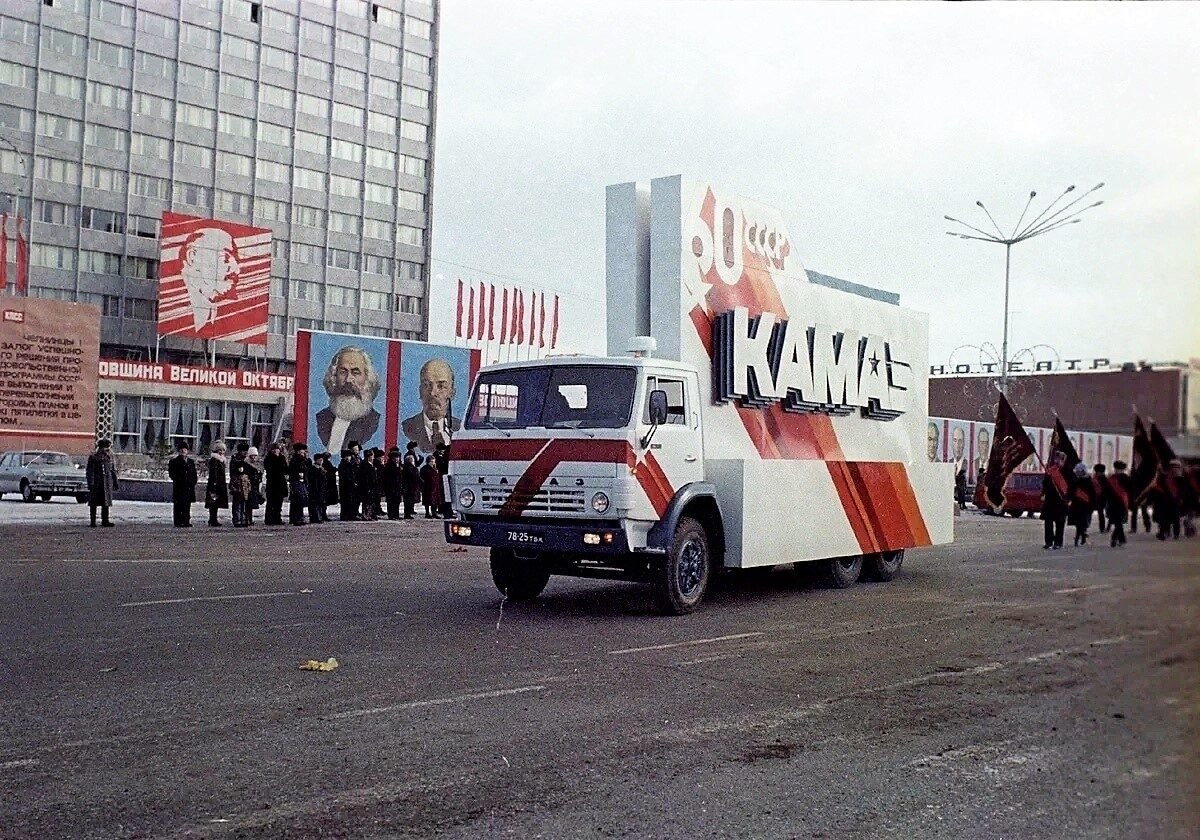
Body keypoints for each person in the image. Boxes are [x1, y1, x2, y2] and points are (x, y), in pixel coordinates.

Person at [316, 347, 381, 454]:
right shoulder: (321, 418)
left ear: (368, 378)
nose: (348, 380)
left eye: (355, 373)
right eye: (343, 372)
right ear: (334, 377)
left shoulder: (374, 421)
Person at [178, 226, 241, 331]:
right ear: (192, 257)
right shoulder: (175, 310)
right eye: (225, 258)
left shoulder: (213, 313)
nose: (236, 270)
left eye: (236, 261)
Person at [401, 358, 462, 452]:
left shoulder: (460, 429)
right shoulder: (406, 428)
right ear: (420, 391)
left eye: (441, 386)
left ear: (452, 393)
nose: (433, 393)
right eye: (427, 385)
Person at [85, 438, 119, 528]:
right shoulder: (94, 457)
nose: (107, 450)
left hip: (106, 482)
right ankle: (93, 521)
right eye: (106, 448)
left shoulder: (109, 457)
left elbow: (112, 470)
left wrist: (115, 482)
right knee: (94, 503)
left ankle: (105, 520)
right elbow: (90, 471)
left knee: (106, 502)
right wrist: (91, 482)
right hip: (97, 483)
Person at [1040, 452, 1068, 550]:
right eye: (1056, 459)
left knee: (1060, 524)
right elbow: (1045, 483)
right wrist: (1043, 493)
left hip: (1061, 501)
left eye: (1059, 459)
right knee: (1048, 523)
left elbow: (1071, 486)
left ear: (1063, 460)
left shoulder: (1067, 472)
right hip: (1050, 501)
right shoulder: (1050, 471)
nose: (1057, 461)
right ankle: (1048, 541)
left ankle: (1058, 542)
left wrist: (1068, 498)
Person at [167, 442, 198, 527]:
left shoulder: (190, 462)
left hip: (188, 488)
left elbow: (194, 474)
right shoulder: (174, 462)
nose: (183, 451)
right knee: (178, 505)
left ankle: (186, 521)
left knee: (187, 506)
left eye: (185, 449)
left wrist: (192, 482)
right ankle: (178, 522)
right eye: (181, 449)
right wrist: (179, 480)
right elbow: (172, 474)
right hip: (179, 488)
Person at [1105, 460, 1131, 548]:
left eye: (1119, 469)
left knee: (1118, 522)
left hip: (1121, 502)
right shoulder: (1111, 478)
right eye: (1116, 469)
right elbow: (1107, 490)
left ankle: (1116, 539)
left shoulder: (1126, 478)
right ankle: (1118, 539)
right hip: (1113, 503)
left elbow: (1130, 490)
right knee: (1117, 522)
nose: (1117, 470)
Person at [262, 441, 289, 526]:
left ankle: (277, 518)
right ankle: (269, 519)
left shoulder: (282, 458)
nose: (276, 451)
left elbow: (286, 469)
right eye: (274, 449)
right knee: (271, 502)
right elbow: (269, 469)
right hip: (272, 483)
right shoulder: (269, 459)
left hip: (281, 483)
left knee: (279, 503)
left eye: (277, 449)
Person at [1068, 462, 1094, 546]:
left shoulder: (1087, 481)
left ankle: (1079, 537)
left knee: (1080, 522)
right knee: (1079, 523)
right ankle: (1081, 537)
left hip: (1084, 505)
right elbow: (1071, 491)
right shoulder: (1076, 480)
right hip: (1077, 504)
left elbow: (1092, 494)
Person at [229, 443, 253, 527]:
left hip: (245, 483)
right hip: (237, 483)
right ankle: (237, 519)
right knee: (238, 502)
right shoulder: (236, 460)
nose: (245, 452)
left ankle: (243, 519)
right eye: (243, 451)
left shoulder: (244, 461)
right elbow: (234, 472)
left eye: (246, 451)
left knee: (244, 503)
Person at [205, 441, 229, 527]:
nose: (221, 452)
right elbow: (213, 473)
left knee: (216, 502)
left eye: (223, 450)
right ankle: (212, 519)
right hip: (215, 484)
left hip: (219, 484)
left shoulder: (221, 460)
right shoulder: (215, 460)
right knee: (213, 502)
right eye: (219, 450)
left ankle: (213, 519)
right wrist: (214, 484)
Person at [288, 442, 311, 526]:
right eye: (302, 452)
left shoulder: (304, 460)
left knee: (300, 500)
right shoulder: (295, 460)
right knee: (297, 500)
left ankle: (298, 517)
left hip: (302, 482)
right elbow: (292, 471)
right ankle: (296, 518)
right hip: (296, 482)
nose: (303, 453)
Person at [338, 445, 360, 521]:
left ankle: (350, 515)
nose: (348, 458)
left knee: (350, 501)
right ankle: (345, 516)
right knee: (345, 502)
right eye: (347, 456)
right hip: (345, 487)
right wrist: (352, 482)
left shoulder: (349, 465)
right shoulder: (342, 465)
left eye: (349, 456)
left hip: (350, 487)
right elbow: (346, 477)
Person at [357, 448, 379, 521]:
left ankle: (370, 514)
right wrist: (368, 487)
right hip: (367, 487)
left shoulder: (371, 464)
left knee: (371, 502)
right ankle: (366, 515)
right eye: (372, 455)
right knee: (366, 502)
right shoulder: (365, 465)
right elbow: (365, 478)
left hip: (372, 486)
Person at [243, 446, 263, 527]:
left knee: (251, 503)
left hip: (255, 485)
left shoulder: (257, 464)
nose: (254, 457)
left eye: (255, 455)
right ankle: (247, 519)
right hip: (249, 485)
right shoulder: (246, 464)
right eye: (253, 455)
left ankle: (250, 519)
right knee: (248, 503)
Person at [383, 447, 404, 520]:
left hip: (398, 487)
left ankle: (396, 514)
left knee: (397, 502)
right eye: (395, 457)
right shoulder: (388, 466)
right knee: (391, 502)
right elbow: (387, 478)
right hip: (390, 487)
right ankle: (391, 515)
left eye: (398, 457)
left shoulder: (399, 466)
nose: (397, 459)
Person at [402, 444, 422, 519]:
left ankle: (410, 510)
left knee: (410, 499)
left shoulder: (412, 456)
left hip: (411, 486)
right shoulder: (410, 464)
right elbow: (415, 476)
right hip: (410, 486)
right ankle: (408, 512)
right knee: (408, 500)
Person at [307, 452, 328, 524]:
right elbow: (313, 480)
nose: (321, 461)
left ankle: (319, 517)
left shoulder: (322, 469)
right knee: (315, 504)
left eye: (322, 460)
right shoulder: (313, 469)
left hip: (321, 489)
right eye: (320, 460)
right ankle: (315, 517)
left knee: (320, 504)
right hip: (315, 489)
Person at [420, 454, 443, 518]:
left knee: (435, 501)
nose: (433, 463)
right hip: (427, 487)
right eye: (431, 462)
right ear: (428, 461)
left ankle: (434, 513)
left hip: (435, 487)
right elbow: (422, 477)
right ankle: (427, 513)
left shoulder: (435, 469)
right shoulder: (424, 469)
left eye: (434, 461)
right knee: (427, 501)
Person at [434, 442, 453, 517]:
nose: (443, 451)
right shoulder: (437, 457)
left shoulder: (443, 456)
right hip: (441, 477)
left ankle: (446, 510)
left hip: (443, 477)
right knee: (444, 495)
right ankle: (445, 511)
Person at [1091, 464, 1110, 533]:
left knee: (1101, 513)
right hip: (1102, 498)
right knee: (1102, 513)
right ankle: (1104, 528)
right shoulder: (1104, 479)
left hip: (1099, 498)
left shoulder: (1094, 478)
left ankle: (1103, 528)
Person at [320, 451, 338, 521]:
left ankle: (323, 514)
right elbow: (330, 471)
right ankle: (323, 515)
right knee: (324, 501)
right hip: (328, 485)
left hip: (327, 484)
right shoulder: (327, 464)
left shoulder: (324, 464)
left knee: (325, 501)